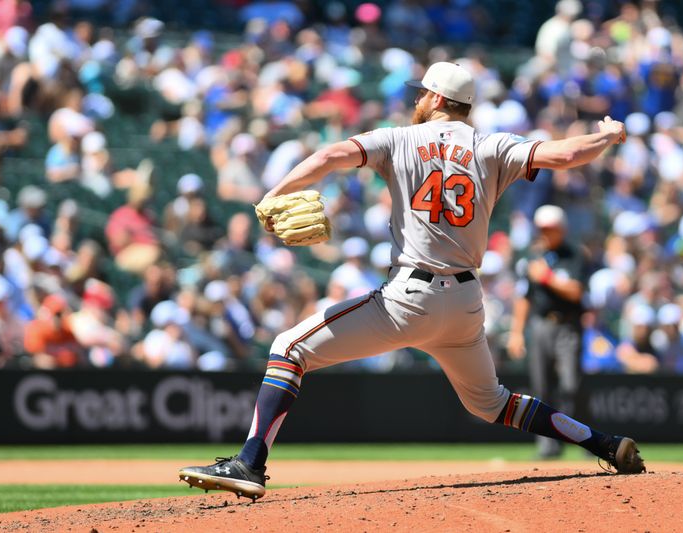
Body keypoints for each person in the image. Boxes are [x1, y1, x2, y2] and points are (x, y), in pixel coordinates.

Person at [179, 62, 645, 500]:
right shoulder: (492, 145)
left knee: (289, 348)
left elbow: (331, 154)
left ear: (438, 97)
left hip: (409, 296)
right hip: (464, 303)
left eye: (423, 92)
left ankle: (249, 463)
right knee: (492, 403)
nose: (418, 98)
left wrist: (274, 196)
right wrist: (605, 136)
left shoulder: (399, 138)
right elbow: (564, 154)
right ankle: (604, 443)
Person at [507, 205, 588, 459]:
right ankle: (548, 445)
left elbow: (576, 291)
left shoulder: (573, 254)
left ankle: (586, 440)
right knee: (541, 388)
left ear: (561, 229)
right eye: (542, 229)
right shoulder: (531, 257)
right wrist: (516, 332)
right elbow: (524, 298)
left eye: (550, 229)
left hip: (567, 324)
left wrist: (547, 278)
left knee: (571, 384)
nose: (545, 233)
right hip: (540, 325)